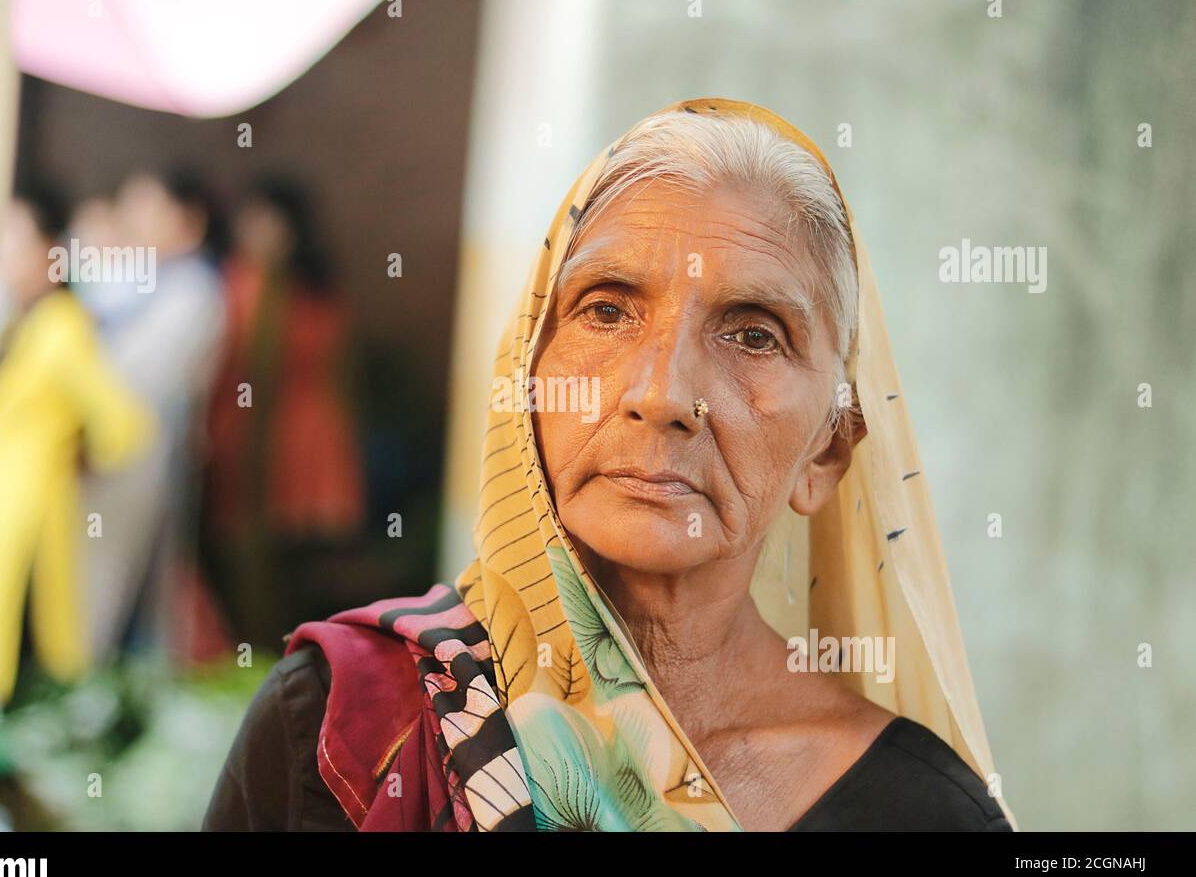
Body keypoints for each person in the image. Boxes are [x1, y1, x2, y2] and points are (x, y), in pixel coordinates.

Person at [204, 98, 1017, 831]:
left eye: (753, 333)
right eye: (606, 310)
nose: (662, 393)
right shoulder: (344, 724)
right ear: (527, 374)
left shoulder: (924, 814)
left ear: (828, 450)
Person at [0, 182, 155, 704]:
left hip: (25, 511)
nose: (3, 251)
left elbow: (124, 425)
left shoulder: (61, 326)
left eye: (14, 237)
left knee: (9, 642)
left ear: (48, 251)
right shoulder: (21, 321)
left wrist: (73, 456)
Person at [200, 177, 365, 652]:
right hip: (247, 442)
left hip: (298, 447)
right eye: (251, 220)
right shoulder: (241, 282)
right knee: (245, 562)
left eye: (268, 221)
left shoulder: (305, 290)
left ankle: (292, 664)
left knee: (296, 567)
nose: (256, 231)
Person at [77, 168, 226, 662]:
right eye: (129, 207)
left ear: (189, 221)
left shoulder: (194, 289)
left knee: (110, 580)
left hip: (140, 455)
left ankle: (90, 683)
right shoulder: (132, 277)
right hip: (97, 453)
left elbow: (138, 376)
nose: (135, 220)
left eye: (150, 207)